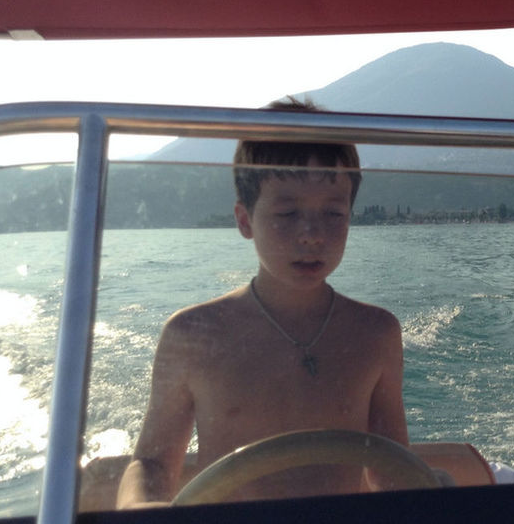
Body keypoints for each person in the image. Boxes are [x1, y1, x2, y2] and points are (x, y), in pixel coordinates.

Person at [117, 97, 408, 507]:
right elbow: (151, 463)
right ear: (243, 221)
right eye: (288, 214)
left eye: (333, 214)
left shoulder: (377, 333)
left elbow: (393, 468)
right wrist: (139, 506)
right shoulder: (193, 335)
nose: (312, 233)